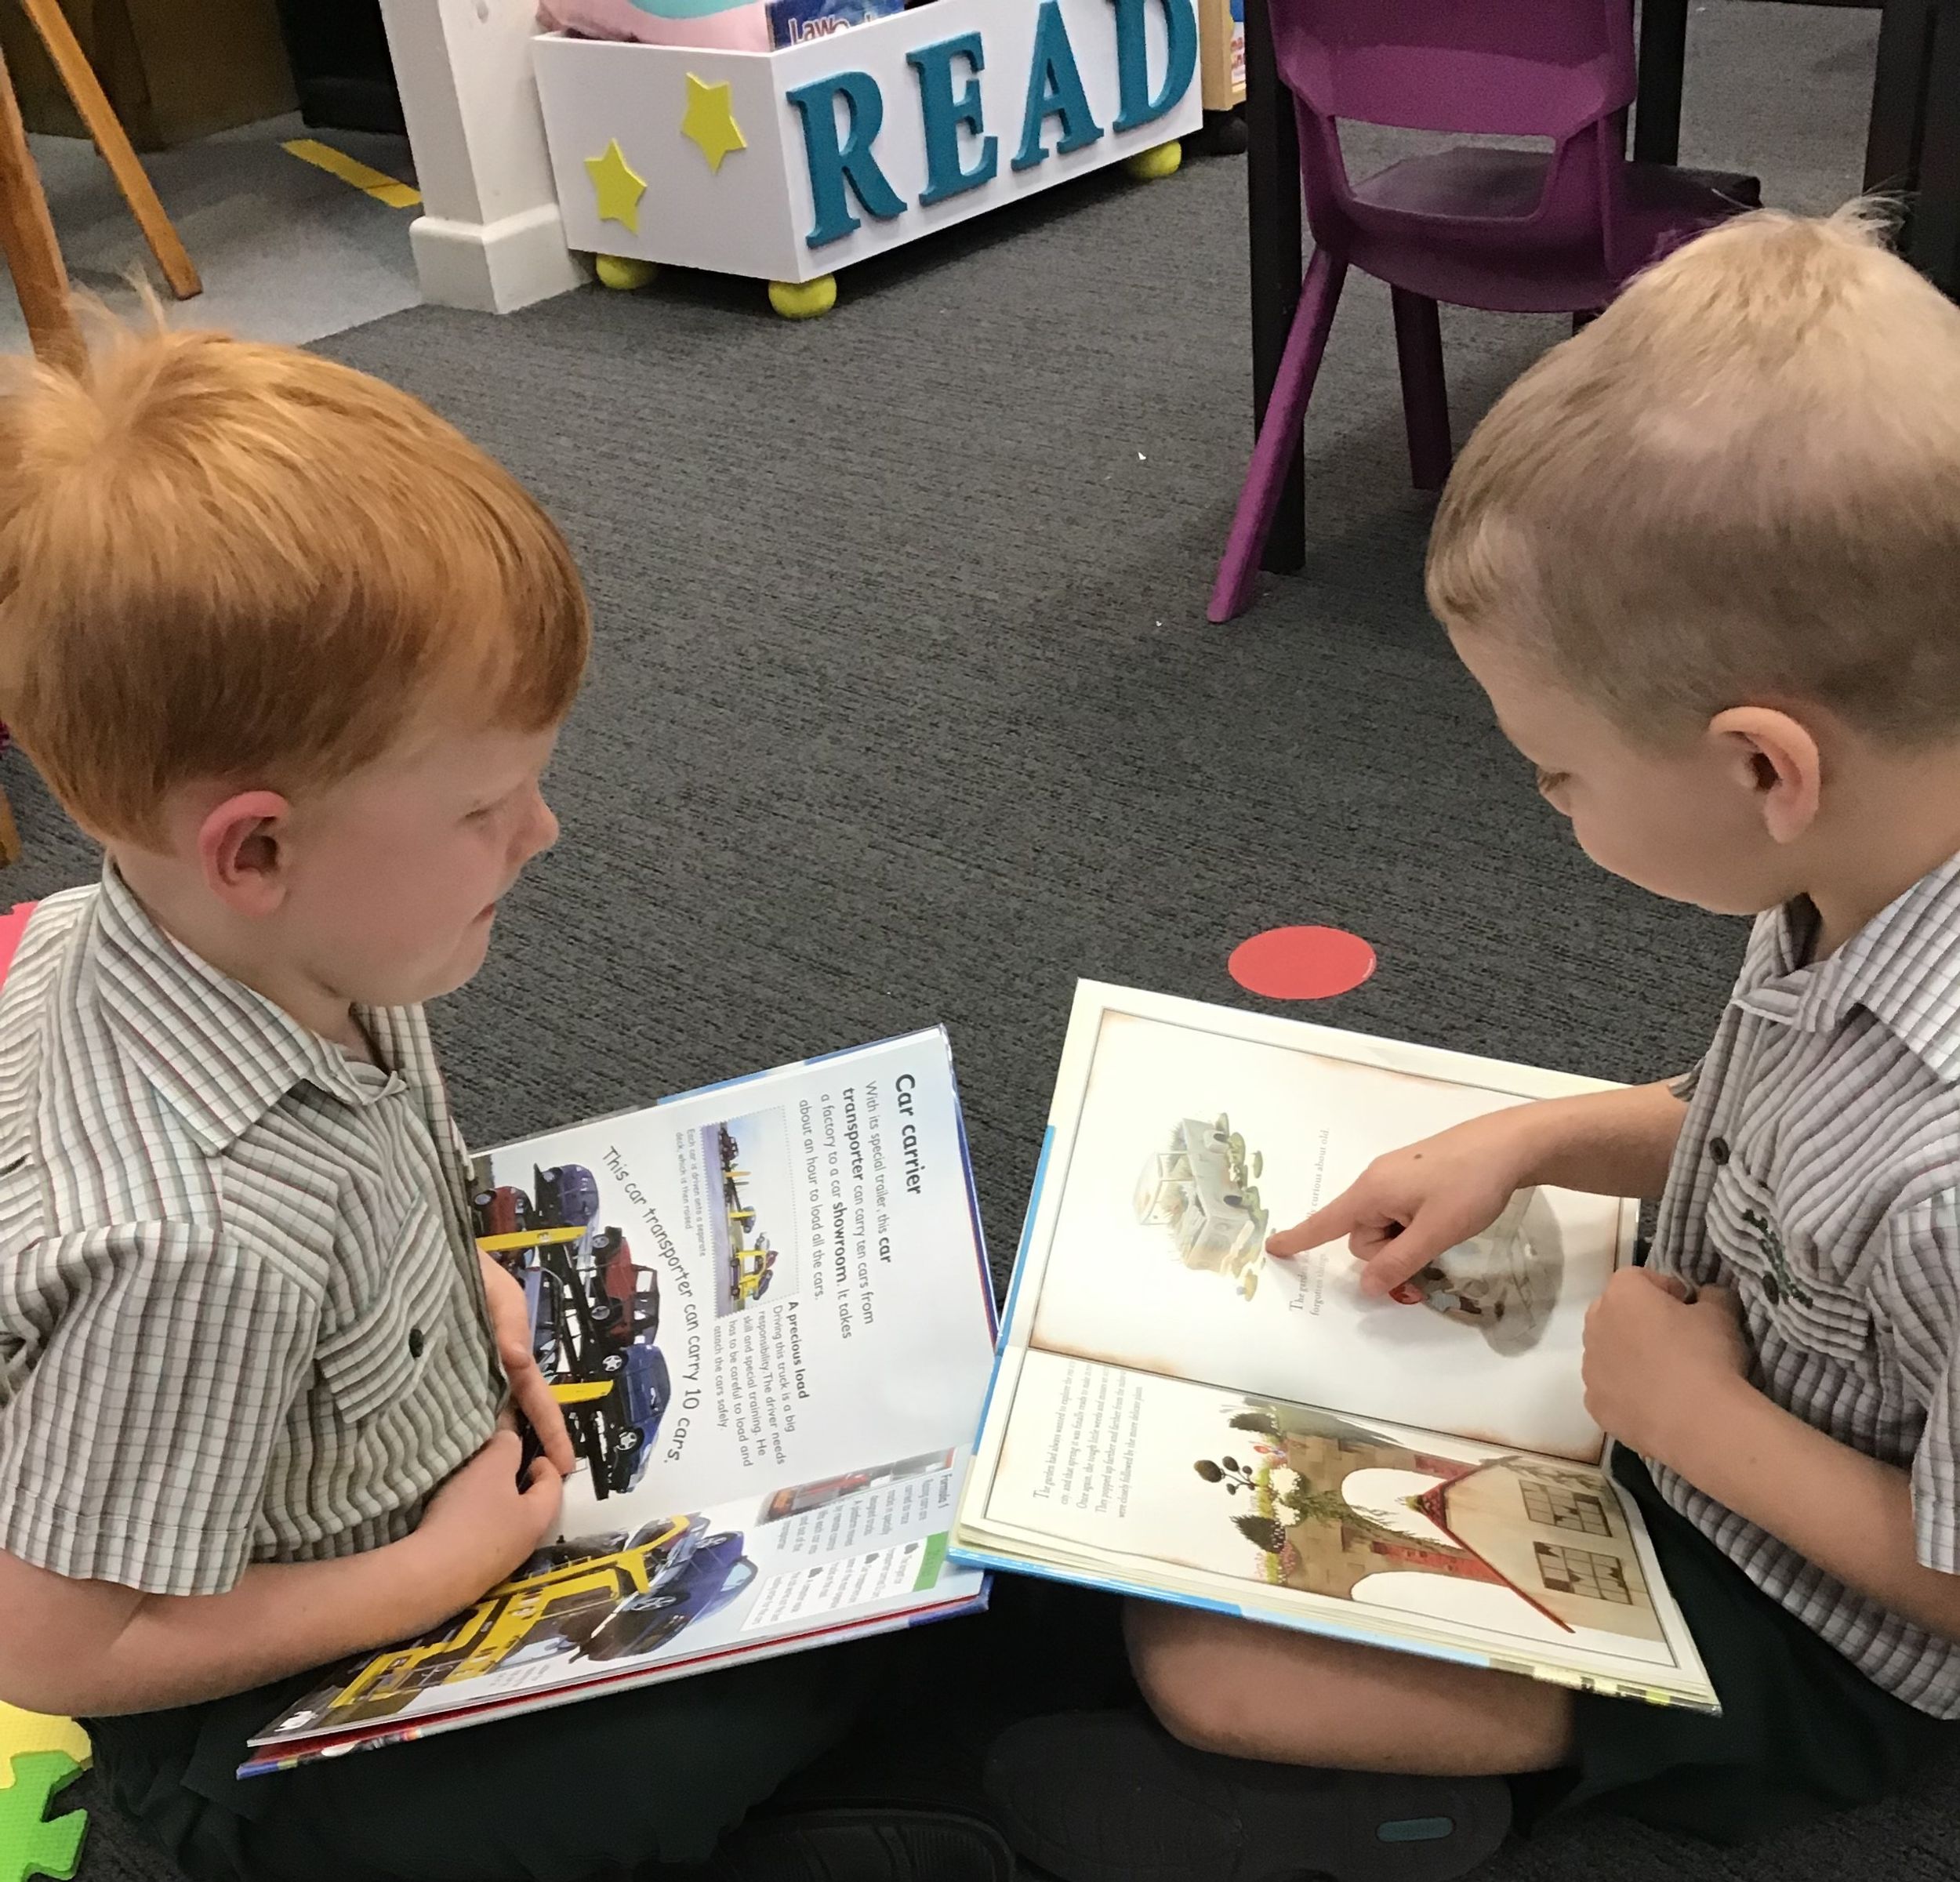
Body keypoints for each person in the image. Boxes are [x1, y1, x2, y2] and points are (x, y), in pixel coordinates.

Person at [985, 205, 1960, 1880]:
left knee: (1215, 1661)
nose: (1543, 800)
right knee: (1164, 1547)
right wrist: (1531, 1139)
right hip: (1686, 1387)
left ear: (1761, 768)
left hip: (1813, 1628)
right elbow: (1767, 1122)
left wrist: (1691, 1420)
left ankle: (1452, 1809)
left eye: (1556, 771)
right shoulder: (1853, 871)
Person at [0, 321, 1020, 1882]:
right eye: (484, 804)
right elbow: (56, 1644)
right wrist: (435, 1571)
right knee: (783, 1665)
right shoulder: (197, 1238)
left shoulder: (267, 940)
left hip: (376, 1469)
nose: (541, 832)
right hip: (257, 1712)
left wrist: (449, 1278)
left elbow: (368, 1177)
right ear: (256, 850)